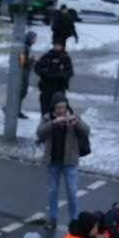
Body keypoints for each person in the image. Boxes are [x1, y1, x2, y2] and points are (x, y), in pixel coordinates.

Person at [36, 97, 89, 229]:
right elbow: (40, 133)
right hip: (53, 161)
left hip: (70, 161)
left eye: (63, 107)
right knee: (52, 191)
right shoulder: (48, 118)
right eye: (58, 108)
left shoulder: (73, 117)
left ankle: (74, 221)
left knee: (72, 191)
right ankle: (52, 218)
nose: (61, 110)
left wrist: (77, 123)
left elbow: (86, 131)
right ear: (54, 108)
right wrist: (53, 123)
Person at [33, 37, 73, 118]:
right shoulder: (47, 56)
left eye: (59, 45)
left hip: (59, 89)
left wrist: (59, 75)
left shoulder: (65, 58)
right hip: (47, 88)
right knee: (45, 111)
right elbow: (37, 68)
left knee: (60, 110)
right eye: (56, 45)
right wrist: (46, 74)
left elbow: (70, 72)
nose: (57, 47)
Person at [16, 30, 38, 119]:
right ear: (30, 38)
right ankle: (13, 109)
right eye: (34, 38)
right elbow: (23, 63)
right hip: (23, 73)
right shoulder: (25, 48)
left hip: (25, 72)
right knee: (22, 92)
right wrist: (33, 60)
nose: (35, 40)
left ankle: (15, 109)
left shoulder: (27, 47)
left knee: (22, 92)